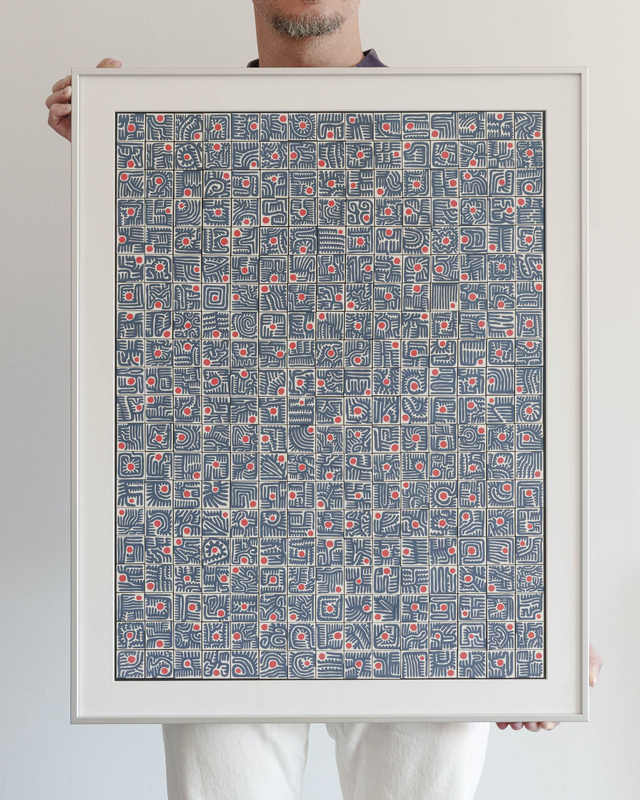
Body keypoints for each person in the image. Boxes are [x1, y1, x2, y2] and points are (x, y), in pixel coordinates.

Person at [45, 1, 604, 797]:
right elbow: (161, 344)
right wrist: (115, 136)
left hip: (424, 568)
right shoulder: (180, 145)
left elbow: (512, 372)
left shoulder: (469, 138)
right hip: (224, 568)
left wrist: (543, 604)